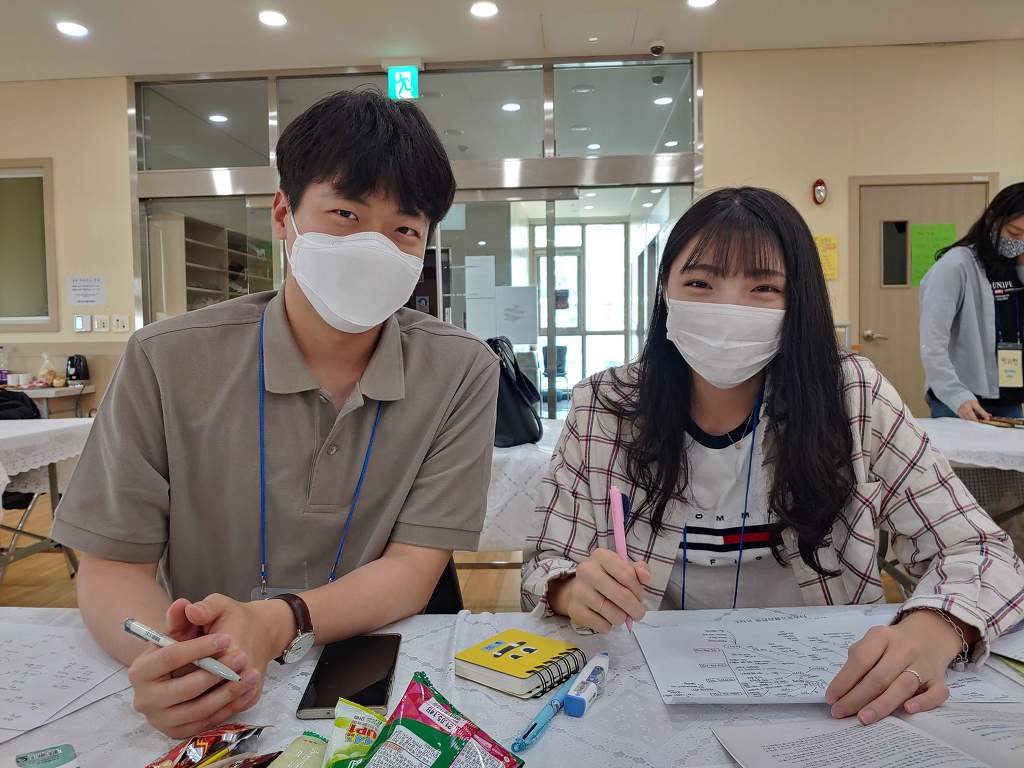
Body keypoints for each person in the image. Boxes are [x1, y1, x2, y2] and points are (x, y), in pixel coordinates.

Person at [51, 90, 499, 738]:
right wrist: (175, 663)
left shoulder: (460, 370)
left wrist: (277, 621)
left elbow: (412, 570)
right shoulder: (165, 359)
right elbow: (113, 565)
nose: (375, 247)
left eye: (405, 229)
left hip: (375, 675)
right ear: (284, 214)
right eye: (345, 214)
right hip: (214, 673)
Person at [522, 187, 1024, 727]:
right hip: (646, 690)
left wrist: (937, 625)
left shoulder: (853, 396)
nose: (728, 310)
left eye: (763, 287)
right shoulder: (605, 405)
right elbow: (546, 561)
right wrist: (571, 587)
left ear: (798, 300)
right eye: (700, 283)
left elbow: (980, 548)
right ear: (664, 292)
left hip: (830, 692)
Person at [920, 183, 1024, 420]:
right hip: (961, 400)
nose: (1020, 242)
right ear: (991, 220)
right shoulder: (955, 266)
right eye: (1014, 233)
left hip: (1009, 397)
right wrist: (956, 395)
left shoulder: (1016, 264)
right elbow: (932, 343)